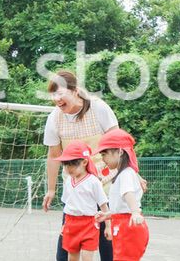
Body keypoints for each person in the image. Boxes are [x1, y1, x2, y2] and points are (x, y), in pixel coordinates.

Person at [42, 70, 121, 261]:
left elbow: (120, 145)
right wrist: (51, 189)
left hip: (105, 187)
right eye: (53, 95)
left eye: (60, 94)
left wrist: (133, 173)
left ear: (75, 91)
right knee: (66, 250)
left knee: (109, 246)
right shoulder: (54, 118)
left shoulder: (99, 108)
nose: (56, 99)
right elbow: (54, 156)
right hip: (75, 194)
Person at [94, 128, 149, 261]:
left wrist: (135, 212)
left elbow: (127, 194)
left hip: (128, 226)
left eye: (104, 154)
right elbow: (122, 206)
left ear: (119, 151)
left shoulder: (126, 174)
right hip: (123, 222)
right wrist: (109, 215)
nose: (103, 159)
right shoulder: (122, 174)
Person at [53, 140, 110, 261]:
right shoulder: (68, 180)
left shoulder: (93, 181)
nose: (69, 168)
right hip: (71, 223)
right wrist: (64, 225)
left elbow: (104, 205)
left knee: (86, 257)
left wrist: (108, 227)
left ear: (84, 162)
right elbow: (67, 204)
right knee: (72, 257)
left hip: (89, 224)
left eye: (73, 164)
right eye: (66, 164)